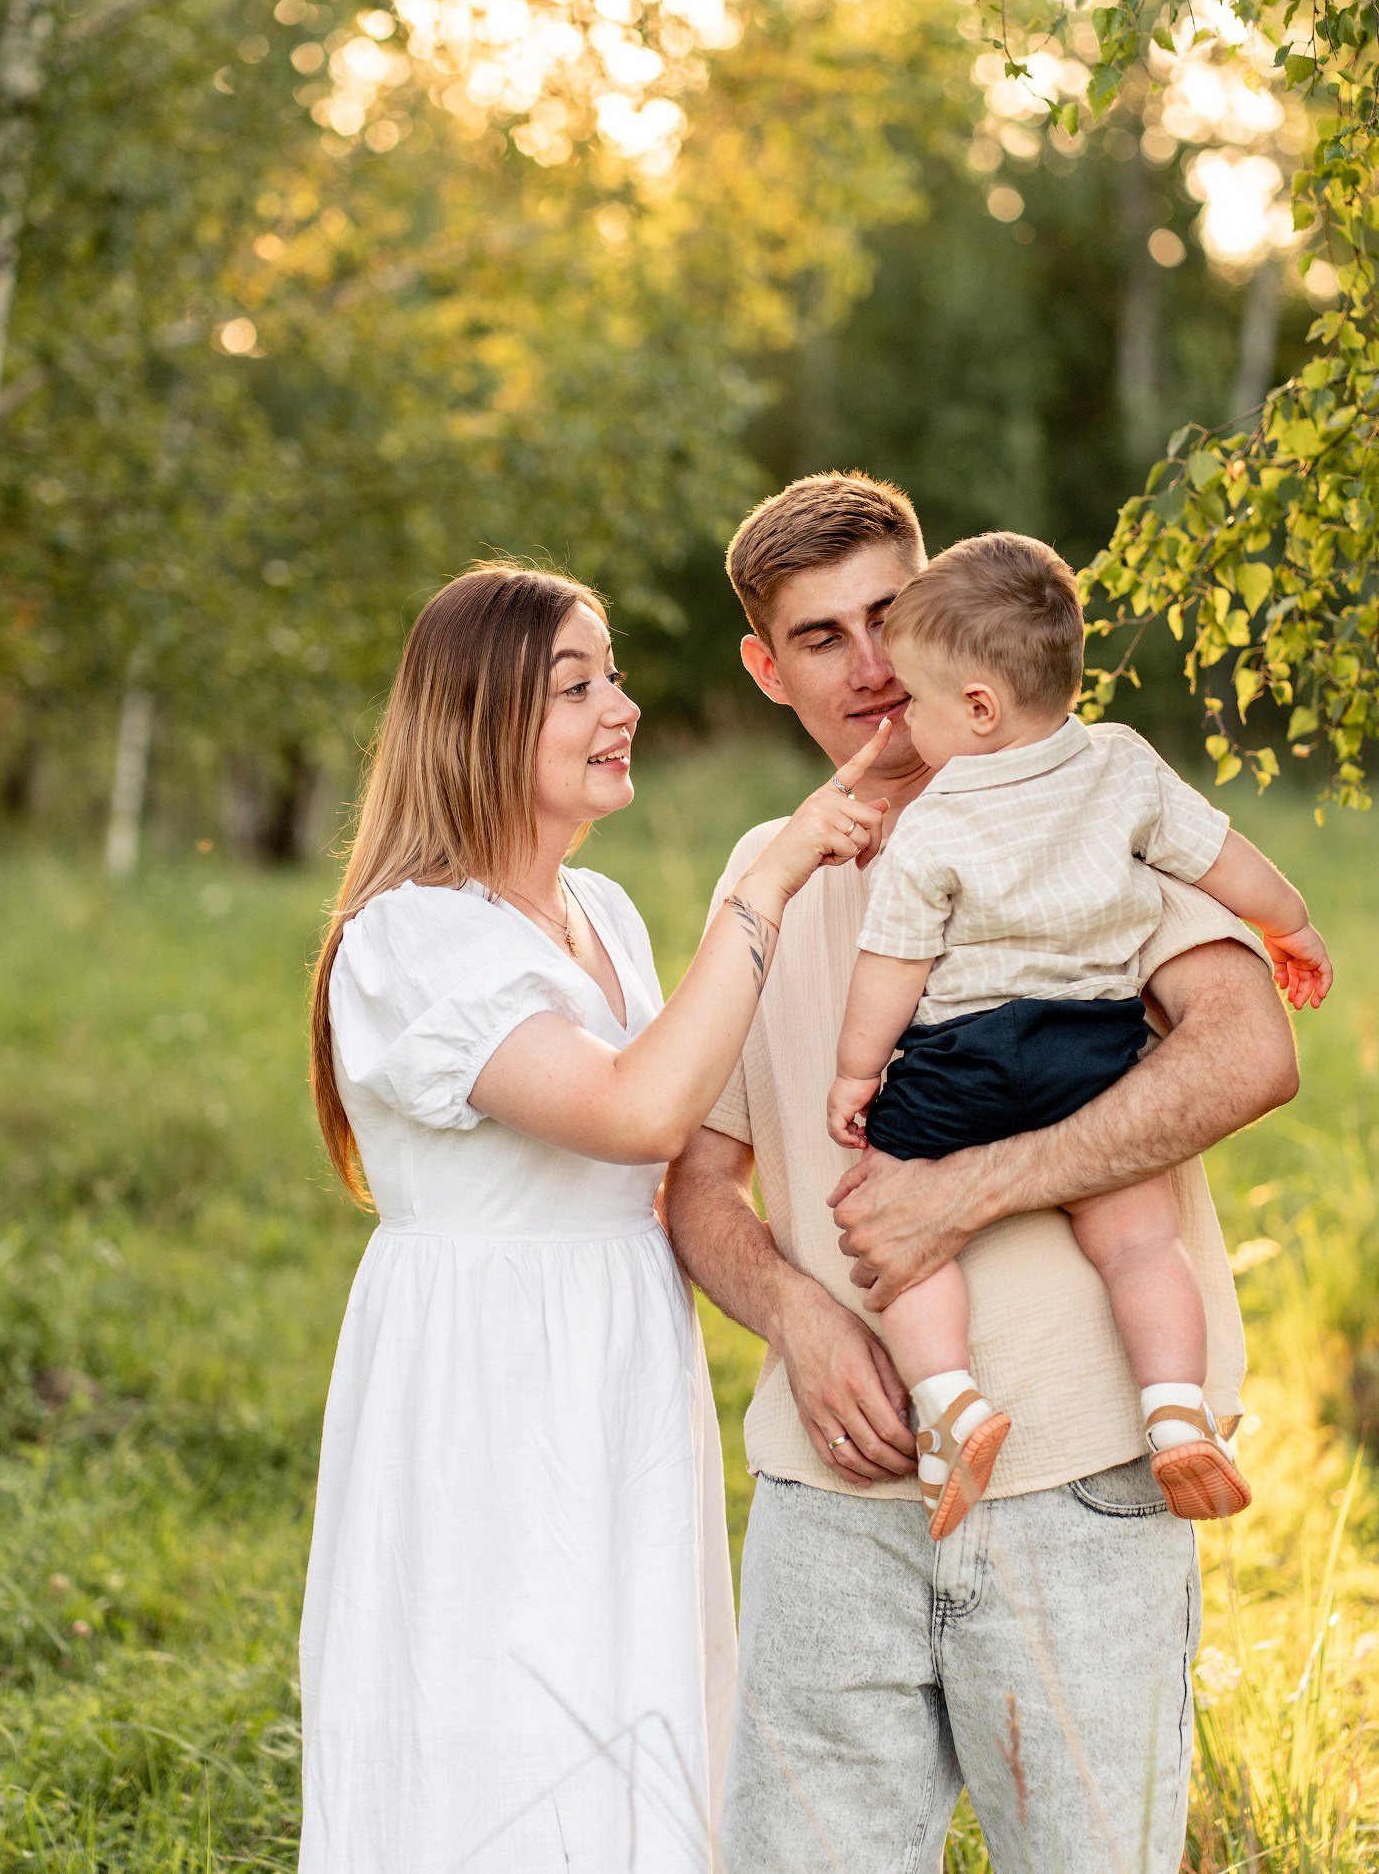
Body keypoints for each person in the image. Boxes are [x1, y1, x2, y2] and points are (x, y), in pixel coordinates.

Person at [663, 473, 1301, 1873]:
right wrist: (802, 1318)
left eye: (890, 613)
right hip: (834, 1497)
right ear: (767, 670)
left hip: (1081, 1477)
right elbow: (699, 1183)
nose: (874, 664)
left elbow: (1249, 1052)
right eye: (821, 637)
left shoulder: (1082, 801)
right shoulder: (758, 875)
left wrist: (972, 1185)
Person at [298, 561, 890, 1874]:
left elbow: (685, 1114)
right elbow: (637, 1112)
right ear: (481, 721)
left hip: (616, 1360)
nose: (619, 706)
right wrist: (770, 878)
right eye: (578, 686)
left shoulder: (605, 916)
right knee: (499, 1709)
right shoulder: (410, 940)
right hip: (489, 1377)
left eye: (612, 674)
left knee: (630, 1694)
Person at [826, 530, 1332, 1541]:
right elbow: (1222, 857)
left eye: (917, 701)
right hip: (1089, 1050)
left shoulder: (933, 821)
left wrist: (854, 1072)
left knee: (900, 1235)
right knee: (1141, 1241)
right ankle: (1175, 1413)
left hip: (955, 1060)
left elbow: (892, 963)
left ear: (975, 707)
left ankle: (951, 1408)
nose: (900, 713)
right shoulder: (1120, 766)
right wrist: (1289, 925)